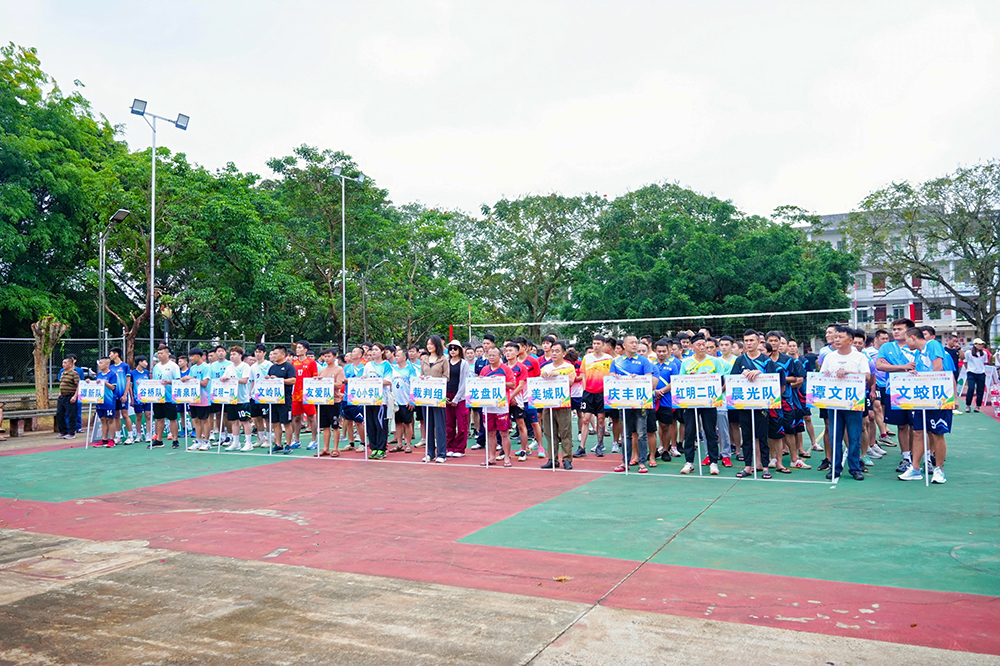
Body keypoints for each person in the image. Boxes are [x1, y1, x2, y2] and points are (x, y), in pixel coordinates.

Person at [898, 327, 955, 484]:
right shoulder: (917, 354)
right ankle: (915, 468)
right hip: (921, 397)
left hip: (938, 396)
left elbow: (938, 368)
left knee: (937, 433)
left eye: (906, 339)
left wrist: (954, 397)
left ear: (913, 338)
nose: (905, 342)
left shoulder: (933, 345)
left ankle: (939, 470)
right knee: (918, 432)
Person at [820, 326, 870, 481]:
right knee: (835, 436)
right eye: (835, 337)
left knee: (854, 436)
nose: (837, 340)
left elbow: (867, 376)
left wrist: (849, 373)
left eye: (840, 337)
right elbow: (822, 375)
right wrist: (827, 375)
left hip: (853, 401)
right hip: (834, 402)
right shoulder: (829, 357)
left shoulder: (859, 357)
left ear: (850, 340)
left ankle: (855, 467)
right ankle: (835, 467)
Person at [730, 330, 777, 479]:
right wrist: (741, 375)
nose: (749, 343)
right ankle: (748, 466)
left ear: (758, 342)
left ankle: (764, 466)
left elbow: (772, 380)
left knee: (762, 436)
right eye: (746, 340)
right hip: (745, 404)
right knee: (747, 436)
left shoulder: (766, 360)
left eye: (751, 340)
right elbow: (732, 379)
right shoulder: (739, 360)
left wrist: (759, 374)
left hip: (761, 405)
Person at [876, 318, 918, 474]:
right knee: (902, 426)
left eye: (899, 329)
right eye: (894, 329)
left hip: (917, 392)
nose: (895, 332)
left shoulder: (916, 347)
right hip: (895, 391)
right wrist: (903, 367)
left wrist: (894, 367)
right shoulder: (887, 347)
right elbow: (880, 365)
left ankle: (917, 455)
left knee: (917, 427)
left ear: (909, 331)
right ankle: (906, 456)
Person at [610, 335, 656, 474]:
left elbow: (649, 379)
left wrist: (639, 378)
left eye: (636, 342)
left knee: (642, 433)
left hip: (640, 403)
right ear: (624, 345)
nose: (635, 345)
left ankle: (642, 462)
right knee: (626, 434)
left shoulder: (644, 361)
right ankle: (625, 461)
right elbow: (611, 377)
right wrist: (616, 378)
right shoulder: (617, 362)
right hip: (624, 402)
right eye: (632, 343)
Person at [678, 334, 723, 475]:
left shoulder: (714, 362)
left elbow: (720, 380)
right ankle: (689, 462)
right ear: (692, 347)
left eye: (704, 344)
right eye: (699, 344)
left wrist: (707, 377)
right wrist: (690, 377)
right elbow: (680, 381)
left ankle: (713, 462)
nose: (702, 347)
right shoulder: (686, 362)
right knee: (690, 431)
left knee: (710, 431)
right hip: (691, 401)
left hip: (709, 401)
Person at [539, 341, 579, 469]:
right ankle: (552, 459)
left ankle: (567, 459)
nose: (554, 353)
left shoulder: (569, 367)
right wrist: (543, 377)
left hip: (563, 404)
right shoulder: (545, 368)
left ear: (564, 353)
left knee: (565, 433)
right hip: (548, 404)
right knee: (549, 433)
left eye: (557, 351)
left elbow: (571, 381)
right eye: (552, 351)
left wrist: (559, 374)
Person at [478, 346, 517, 466]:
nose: (491, 357)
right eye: (489, 355)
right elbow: (478, 383)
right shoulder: (484, 369)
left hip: (501, 406)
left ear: (500, 356)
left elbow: (512, 384)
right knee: (490, 432)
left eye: (494, 355)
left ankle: (506, 457)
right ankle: (491, 457)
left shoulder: (505, 369)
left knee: (504, 432)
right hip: (487, 406)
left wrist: (499, 383)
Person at [363, 343, 394, 459]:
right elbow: (364, 377)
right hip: (368, 398)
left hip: (381, 399)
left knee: (380, 424)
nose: (373, 352)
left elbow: (388, 381)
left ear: (382, 352)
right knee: (370, 424)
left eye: (376, 350)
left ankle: (381, 449)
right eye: (372, 350)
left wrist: (374, 382)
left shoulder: (386, 366)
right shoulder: (368, 365)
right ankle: (374, 448)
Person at [421, 336, 448, 463]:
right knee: (428, 424)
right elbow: (421, 375)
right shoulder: (424, 359)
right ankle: (429, 452)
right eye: (428, 344)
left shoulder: (443, 359)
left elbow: (446, 377)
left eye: (431, 344)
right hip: (426, 395)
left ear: (437, 345)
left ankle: (442, 453)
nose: (429, 346)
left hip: (438, 395)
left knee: (439, 425)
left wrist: (435, 380)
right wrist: (422, 378)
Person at [221, 347, 253, 452]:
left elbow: (244, 380)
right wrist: (223, 379)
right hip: (231, 398)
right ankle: (235, 442)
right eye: (231, 354)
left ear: (240, 355)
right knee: (233, 421)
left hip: (242, 398)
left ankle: (248, 443)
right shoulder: (229, 367)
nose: (232, 356)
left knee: (245, 421)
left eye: (234, 354)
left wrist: (232, 379)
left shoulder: (245, 366)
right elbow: (224, 378)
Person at [149, 344, 181, 449]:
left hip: (170, 397)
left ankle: (175, 440)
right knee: (159, 418)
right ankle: (159, 440)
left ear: (167, 354)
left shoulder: (173, 366)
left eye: (162, 353)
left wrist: (168, 382)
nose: (159, 355)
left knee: (172, 418)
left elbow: (177, 381)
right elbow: (154, 380)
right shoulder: (156, 367)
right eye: (158, 353)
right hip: (158, 397)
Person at [267, 345, 297, 454]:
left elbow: (293, 380)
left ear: (283, 354)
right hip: (274, 398)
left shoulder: (289, 367)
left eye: (276, 354)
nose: (273, 356)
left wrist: (279, 380)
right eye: (273, 354)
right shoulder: (272, 367)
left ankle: (289, 444)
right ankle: (278, 444)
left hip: (285, 399)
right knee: (275, 422)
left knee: (286, 422)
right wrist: (268, 379)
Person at [316, 348, 346, 457]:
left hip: (334, 401)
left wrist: (327, 383)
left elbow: (339, 384)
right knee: (325, 426)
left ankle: (335, 448)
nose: (326, 358)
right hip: (323, 400)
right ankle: (325, 448)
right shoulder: (322, 370)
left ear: (335, 357)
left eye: (329, 356)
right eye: (325, 356)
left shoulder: (339, 370)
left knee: (335, 426)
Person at [290, 341, 319, 450]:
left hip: (308, 394)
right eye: (297, 348)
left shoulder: (311, 362)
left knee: (311, 417)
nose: (297, 350)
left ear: (305, 350)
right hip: (296, 394)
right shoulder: (294, 363)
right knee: (296, 417)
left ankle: (314, 440)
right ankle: (296, 440)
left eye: (300, 348)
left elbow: (314, 376)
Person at [652, 338, 676, 465]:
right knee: (651, 428)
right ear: (655, 351)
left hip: (666, 401)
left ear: (668, 351)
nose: (661, 353)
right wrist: (654, 392)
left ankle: (666, 450)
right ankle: (653, 450)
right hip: (651, 400)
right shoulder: (651, 365)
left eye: (664, 351)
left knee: (665, 426)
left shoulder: (673, 365)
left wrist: (661, 391)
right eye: (659, 351)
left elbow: (675, 382)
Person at [185, 348, 213, 450]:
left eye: (192, 356)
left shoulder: (206, 367)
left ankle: (206, 441)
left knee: (204, 420)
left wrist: (191, 379)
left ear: (199, 356)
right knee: (195, 420)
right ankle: (198, 440)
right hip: (194, 398)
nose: (191, 358)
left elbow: (205, 383)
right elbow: (190, 382)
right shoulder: (192, 368)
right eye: (190, 356)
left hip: (204, 399)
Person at [390, 348, 416, 453]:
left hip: (406, 401)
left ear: (404, 358)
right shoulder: (393, 368)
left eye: (398, 356)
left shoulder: (410, 369)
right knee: (398, 423)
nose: (396, 358)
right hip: (396, 401)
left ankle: (408, 444)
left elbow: (414, 384)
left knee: (408, 423)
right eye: (395, 356)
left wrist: (412, 399)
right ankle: (399, 444)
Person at [88, 356, 118, 447]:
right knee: (103, 420)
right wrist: (89, 382)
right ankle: (104, 439)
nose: (99, 365)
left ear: (107, 364)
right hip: (100, 401)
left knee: (110, 420)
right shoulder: (99, 374)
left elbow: (113, 387)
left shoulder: (112, 375)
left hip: (109, 401)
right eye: (99, 363)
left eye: (101, 363)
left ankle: (112, 439)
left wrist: (104, 382)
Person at [341, 347, 367, 451]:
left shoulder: (364, 368)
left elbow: (362, 380)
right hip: (346, 398)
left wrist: (349, 380)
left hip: (358, 398)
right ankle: (351, 443)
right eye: (352, 351)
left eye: (355, 351)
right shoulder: (347, 367)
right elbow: (342, 379)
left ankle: (363, 443)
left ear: (360, 355)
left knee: (359, 421)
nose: (352, 353)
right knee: (348, 421)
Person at [248, 343, 272, 447]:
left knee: (267, 418)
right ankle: (260, 438)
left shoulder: (269, 365)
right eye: (256, 352)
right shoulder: (253, 367)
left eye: (260, 352)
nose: (258, 354)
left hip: (265, 394)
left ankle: (269, 438)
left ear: (264, 353)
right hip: (255, 395)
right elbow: (252, 380)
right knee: (257, 418)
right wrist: (250, 393)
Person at [123, 355, 150, 444]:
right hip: (137, 398)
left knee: (148, 415)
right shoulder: (132, 373)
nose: (146, 363)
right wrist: (132, 399)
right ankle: (139, 435)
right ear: (139, 362)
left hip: (147, 398)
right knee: (139, 416)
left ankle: (148, 435)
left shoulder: (146, 373)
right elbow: (130, 386)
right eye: (145, 361)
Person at [108, 347, 130, 445]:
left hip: (122, 394)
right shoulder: (111, 367)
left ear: (116, 354)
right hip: (114, 396)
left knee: (125, 415)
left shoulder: (125, 366)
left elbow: (128, 380)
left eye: (111, 353)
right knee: (116, 416)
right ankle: (118, 437)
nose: (109, 356)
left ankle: (130, 436)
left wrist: (125, 394)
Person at [56, 355, 80, 439]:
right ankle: (63, 431)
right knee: (59, 414)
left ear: (70, 364)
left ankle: (71, 433)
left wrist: (75, 396)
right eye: (63, 362)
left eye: (65, 363)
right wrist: (60, 393)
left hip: (70, 397)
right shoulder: (62, 373)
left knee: (71, 415)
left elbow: (78, 385)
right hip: (62, 397)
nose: (63, 364)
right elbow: (61, 384)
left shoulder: (74, 374)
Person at [963, 338, 989, 413]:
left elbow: (984, 362)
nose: (981, 346)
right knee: (971, 388)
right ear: (975, 345)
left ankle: (978, 406)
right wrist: (969, 369)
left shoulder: (984, 353)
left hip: (981, 373)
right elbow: (965, 362)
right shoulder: (968, 352)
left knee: (980, 390)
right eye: (979, 344)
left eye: (982, 344)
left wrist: (980, 369)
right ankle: (968, 405)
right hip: (971, 373)